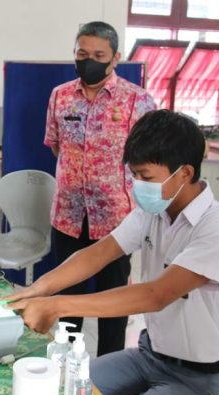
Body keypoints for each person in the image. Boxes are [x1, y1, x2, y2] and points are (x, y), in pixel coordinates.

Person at [7, 110, 219, 395]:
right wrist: (36, 290)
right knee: (50, 391)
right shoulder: (154, 213)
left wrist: (56, 305)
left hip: (194, 382)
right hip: (147, 357)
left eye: (145, 176)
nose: (137, 186)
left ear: (184, 173)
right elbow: (98, 253)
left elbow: (156, 295)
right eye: (134, 175)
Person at [44, 21, 156, 356]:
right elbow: (55, 145)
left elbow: (148, 158)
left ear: (115, 57)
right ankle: (66, 366)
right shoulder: (60, 96)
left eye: (98, 55)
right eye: (82, 54)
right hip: (68, 216)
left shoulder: (138, 101)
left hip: (116, 221)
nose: (88, 60)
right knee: (68, 302)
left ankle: (110, 373)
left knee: (113, 303)